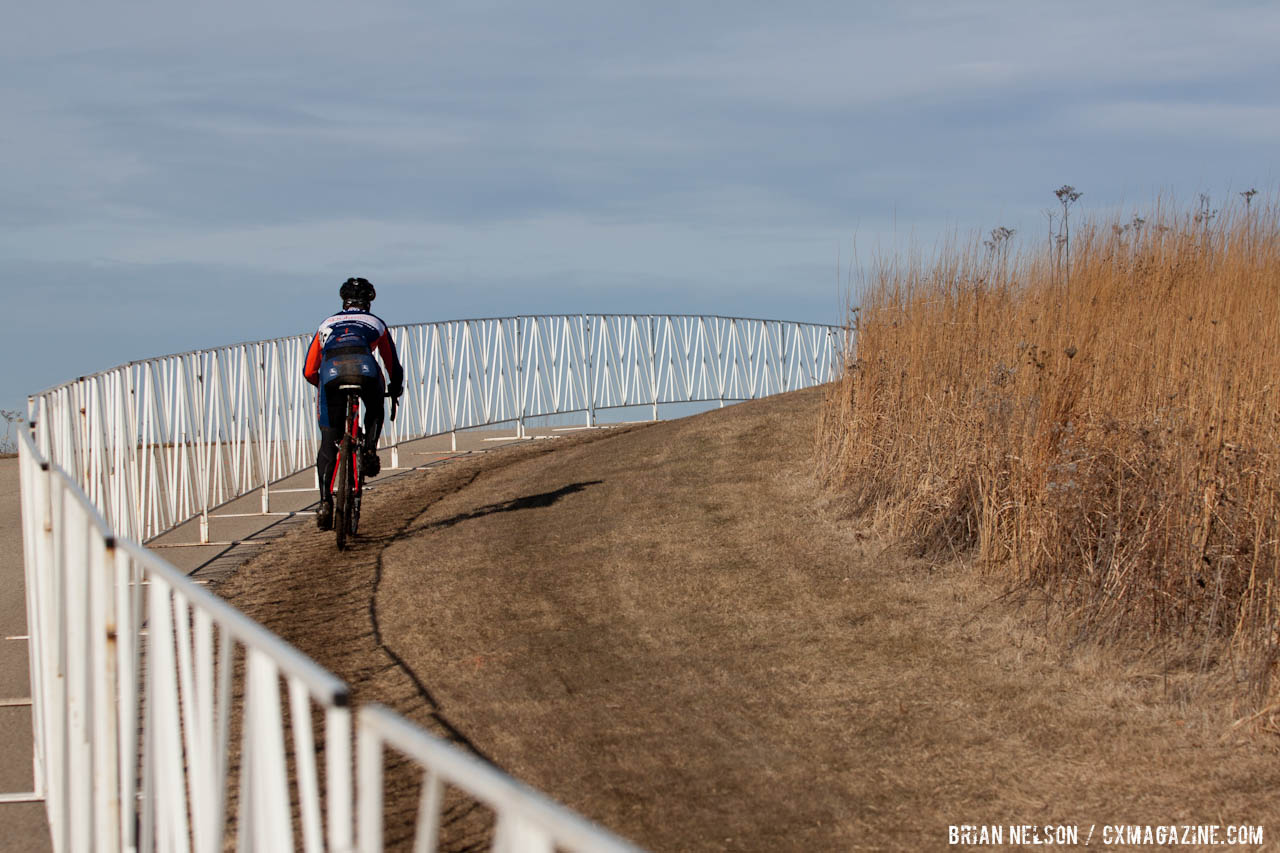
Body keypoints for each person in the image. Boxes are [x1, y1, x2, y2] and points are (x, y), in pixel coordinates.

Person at [303, 277, 404, 530]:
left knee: (328, 441)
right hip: (365, 369)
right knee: (376, 400)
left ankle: (325, 502)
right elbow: (392, 363)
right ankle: (369, 450)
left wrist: (324, 386)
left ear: (343, 302)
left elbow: (308, 369)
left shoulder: (326, 324)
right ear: (369, 302)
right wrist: (395, 388)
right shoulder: (376, 323)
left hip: (331, 373)